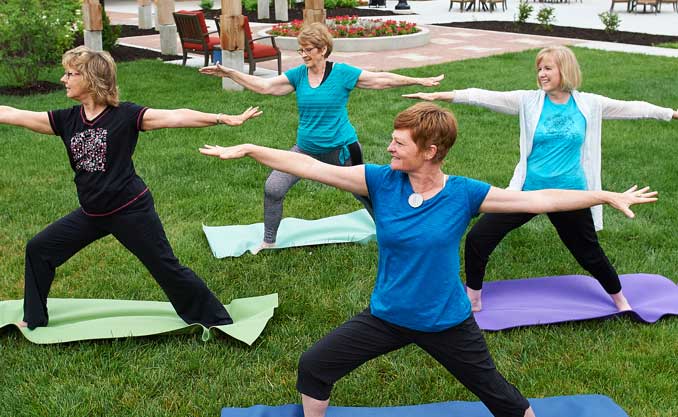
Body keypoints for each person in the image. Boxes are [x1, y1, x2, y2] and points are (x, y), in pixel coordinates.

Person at [199, 102, 657, 417]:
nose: (390, 148)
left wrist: (604, 194)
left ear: (430, 151)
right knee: (315, 365)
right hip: (388, 315)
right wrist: (250, 149)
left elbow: (541, 198)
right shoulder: (380, 181)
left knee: (503, 399)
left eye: (400, 143)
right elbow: (314, 168)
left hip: (446, 321)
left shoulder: (463, 194)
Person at [0, 46, 261, 330]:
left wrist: (222, 118)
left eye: (70, 73)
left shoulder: (124, 116)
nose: (64, 79)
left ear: (89, 78)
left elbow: (175, 116)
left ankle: (218, 320)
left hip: (129, 210)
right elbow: (15, 113)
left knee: (166, 267)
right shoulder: (67, 120)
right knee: (39, 249)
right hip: (92, 212)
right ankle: (34, 318)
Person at [404, 45, 677, 312]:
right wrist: (441, 96)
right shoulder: (529, 101)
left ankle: (620, 300)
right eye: (539, 69)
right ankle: (473, 299)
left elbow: (632, 107)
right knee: (479, 238)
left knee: (589, 254)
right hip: (528, 192)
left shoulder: (589, 104)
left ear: (565, 70)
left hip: (570, 194)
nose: (541, 74)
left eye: (548, 68)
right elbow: (482, 95)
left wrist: (671, 113)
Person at [199, 22, 443, 253]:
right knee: (273, 188)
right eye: (301, 50)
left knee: (367, 193)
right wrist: (230, 73)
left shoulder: (342, 73)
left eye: (308, 50)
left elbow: (380, 80)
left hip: (342, 150)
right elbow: (265, 87)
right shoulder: (298, 75)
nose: (303, 55)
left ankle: (391, 234)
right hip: (304, 149)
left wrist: (417, 80)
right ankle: (269, 241)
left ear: (323, 49)